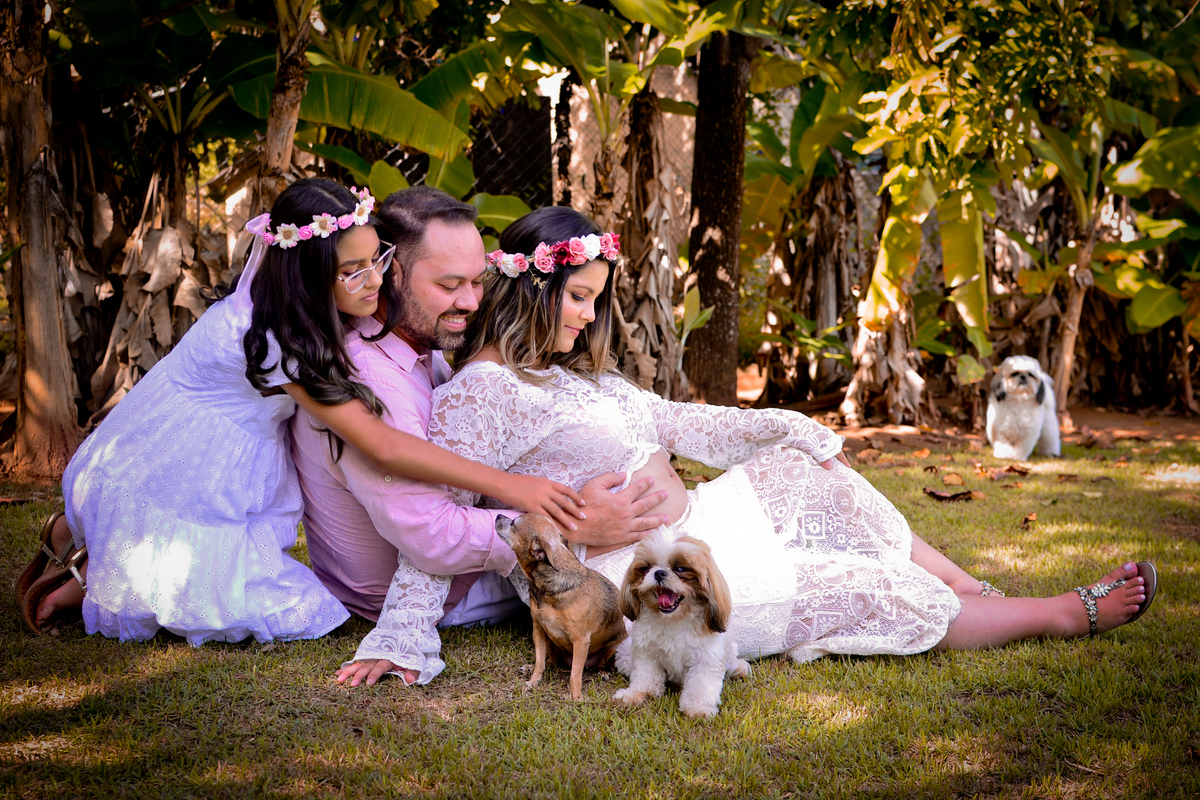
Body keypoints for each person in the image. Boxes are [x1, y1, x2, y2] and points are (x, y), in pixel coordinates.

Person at [345, 205, 1155, 681]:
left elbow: (686, 422)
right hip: (632, 577)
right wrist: (404, 636)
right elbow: (434, 527)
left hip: (696, 522)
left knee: (806, 474)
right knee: (855, 587)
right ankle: (1058, 615)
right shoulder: (480, 392)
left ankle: (975, 589)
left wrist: (798, 427)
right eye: (579, 298)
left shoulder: (571, 374)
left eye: (597, 301)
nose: (590, 318)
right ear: (536, 287)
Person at [16, 179, 584, 644]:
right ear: (310, 273)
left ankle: (75, 539)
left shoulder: (317, 312)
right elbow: (385, 445)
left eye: (377, 260)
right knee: (194, 559)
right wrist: (512, 488)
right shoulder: (284, 344)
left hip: (208, 430)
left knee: (155, 532)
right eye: (352, 270)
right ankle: (81, 568)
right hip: (190, 443)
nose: (374, 281)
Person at [290, 187, 667, 686]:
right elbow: (430, 535)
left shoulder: (417, 341)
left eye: (476, 281)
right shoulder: (370, 381)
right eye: (449, 285)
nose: (470, 302)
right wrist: (571, 526)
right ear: (390, 274)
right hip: (429, 588)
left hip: (471, 563)